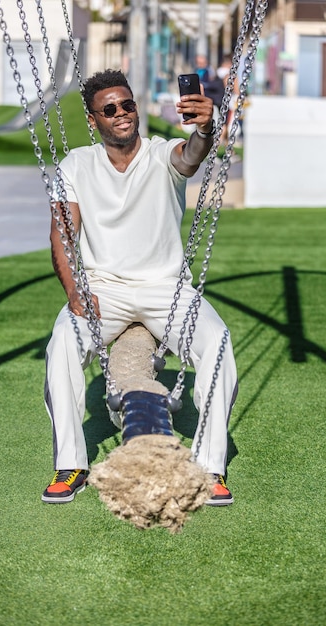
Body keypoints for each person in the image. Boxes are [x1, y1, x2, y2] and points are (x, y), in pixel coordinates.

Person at [42, 69, 238, 507]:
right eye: (109, 109)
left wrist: (206, 127)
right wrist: (75, 291)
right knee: (61, 345)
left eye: (127, 104)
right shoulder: (76, 164)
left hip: (165, 288)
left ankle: (210, 468)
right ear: (94, 120)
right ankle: (71, 463)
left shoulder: (160, 153)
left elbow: (191, 156)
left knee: (218, 343)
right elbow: (62, 233)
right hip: (103, 287)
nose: (122, 114)